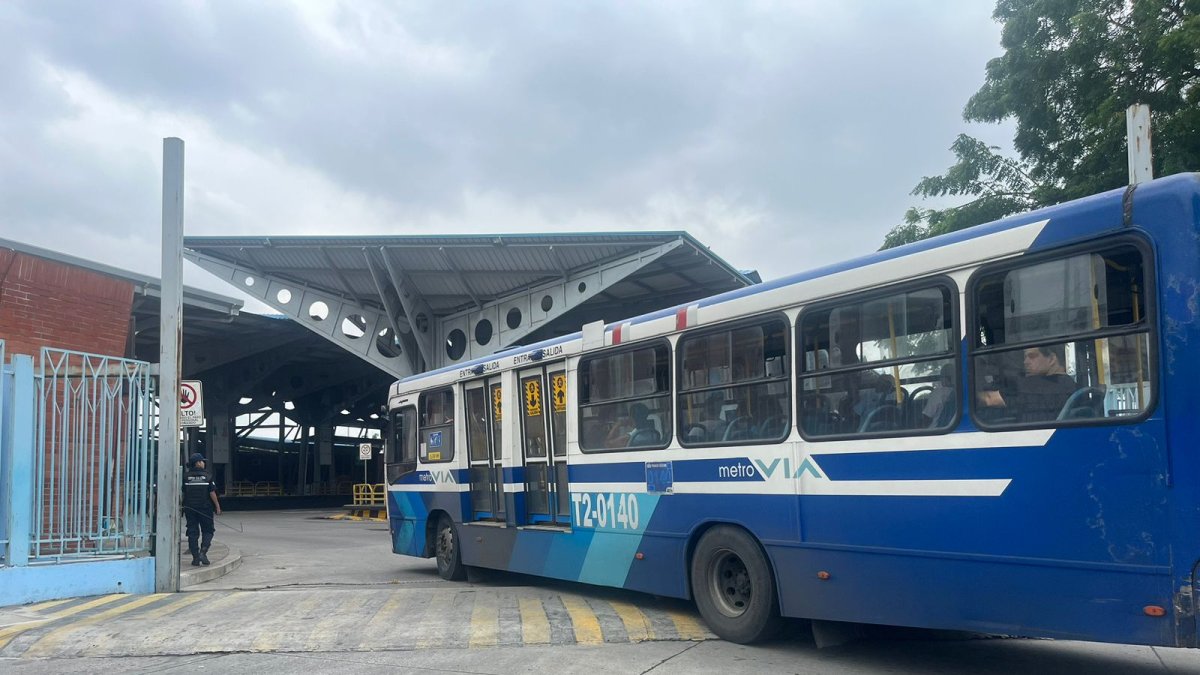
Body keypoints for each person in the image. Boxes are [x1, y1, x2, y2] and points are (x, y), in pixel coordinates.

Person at [978, 345, 1077, 423]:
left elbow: (989, 399)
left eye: (1032, 356)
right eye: (1025, 357)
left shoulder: (1033, 385)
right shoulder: (1071, 384)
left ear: (1051, 359)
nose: (1025, 362)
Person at [182, 453, 222, 566]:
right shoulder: (207, 476)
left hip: (190, 508)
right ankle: (203, 552)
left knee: (192, 532)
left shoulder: (185, 477)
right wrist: (217, 506)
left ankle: (195, 557)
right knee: (208, 531)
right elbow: (212, 492)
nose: (204, 463)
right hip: (205, 508)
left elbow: (183, 492)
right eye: (202, 461)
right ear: (198, 463)